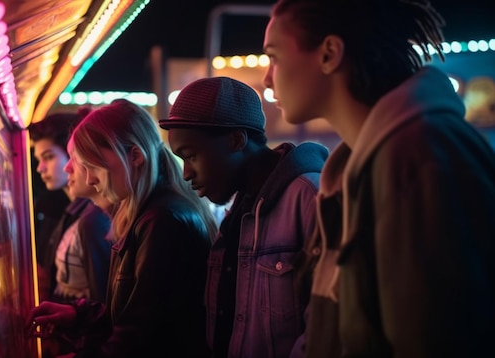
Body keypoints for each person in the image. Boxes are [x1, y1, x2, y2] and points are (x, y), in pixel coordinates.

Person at [262, 0, 495, 357]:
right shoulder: (357, 170)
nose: (267, 77)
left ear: (329, 54)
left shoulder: (419, 156)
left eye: (274, 57)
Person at [27, 99, 219, 358]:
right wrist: (78, 314)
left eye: (93, 166)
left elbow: (140, 337)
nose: (90, 177)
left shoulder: (162, 220)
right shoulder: (150, 214)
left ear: (135, 156)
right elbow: (134, 311)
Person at [159, 76, 329, 358]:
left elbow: (327, 330)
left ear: (236, 140)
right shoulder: (238, 213)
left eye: (191, 156)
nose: (186, 173)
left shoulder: (310, 198)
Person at [27, 108, 111, 305]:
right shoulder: (71, 211)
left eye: (49, 157)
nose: (41, 168)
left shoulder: (94, 218)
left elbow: (102, 298)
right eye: (39, 159)